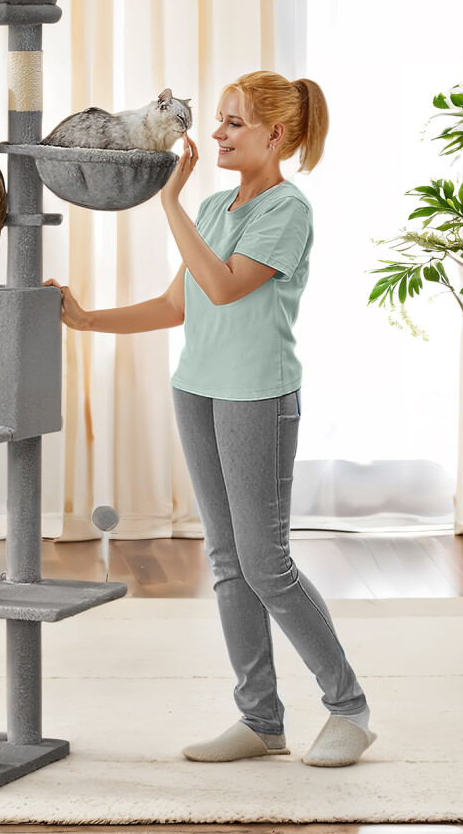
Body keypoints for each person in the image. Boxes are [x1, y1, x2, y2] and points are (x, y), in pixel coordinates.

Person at [44, 71, 376, 768]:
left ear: (275, 135)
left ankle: (349, 708)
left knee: (266, 565)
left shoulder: (289, 210)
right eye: (220, 119)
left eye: (232, 122)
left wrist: (169, 202)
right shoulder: (218, 207)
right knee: (227, 564)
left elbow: (223, 289)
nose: (215, 133)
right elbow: (178, 305)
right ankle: (260, 719)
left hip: (257, 397)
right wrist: (86, 320)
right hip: (196, 390)